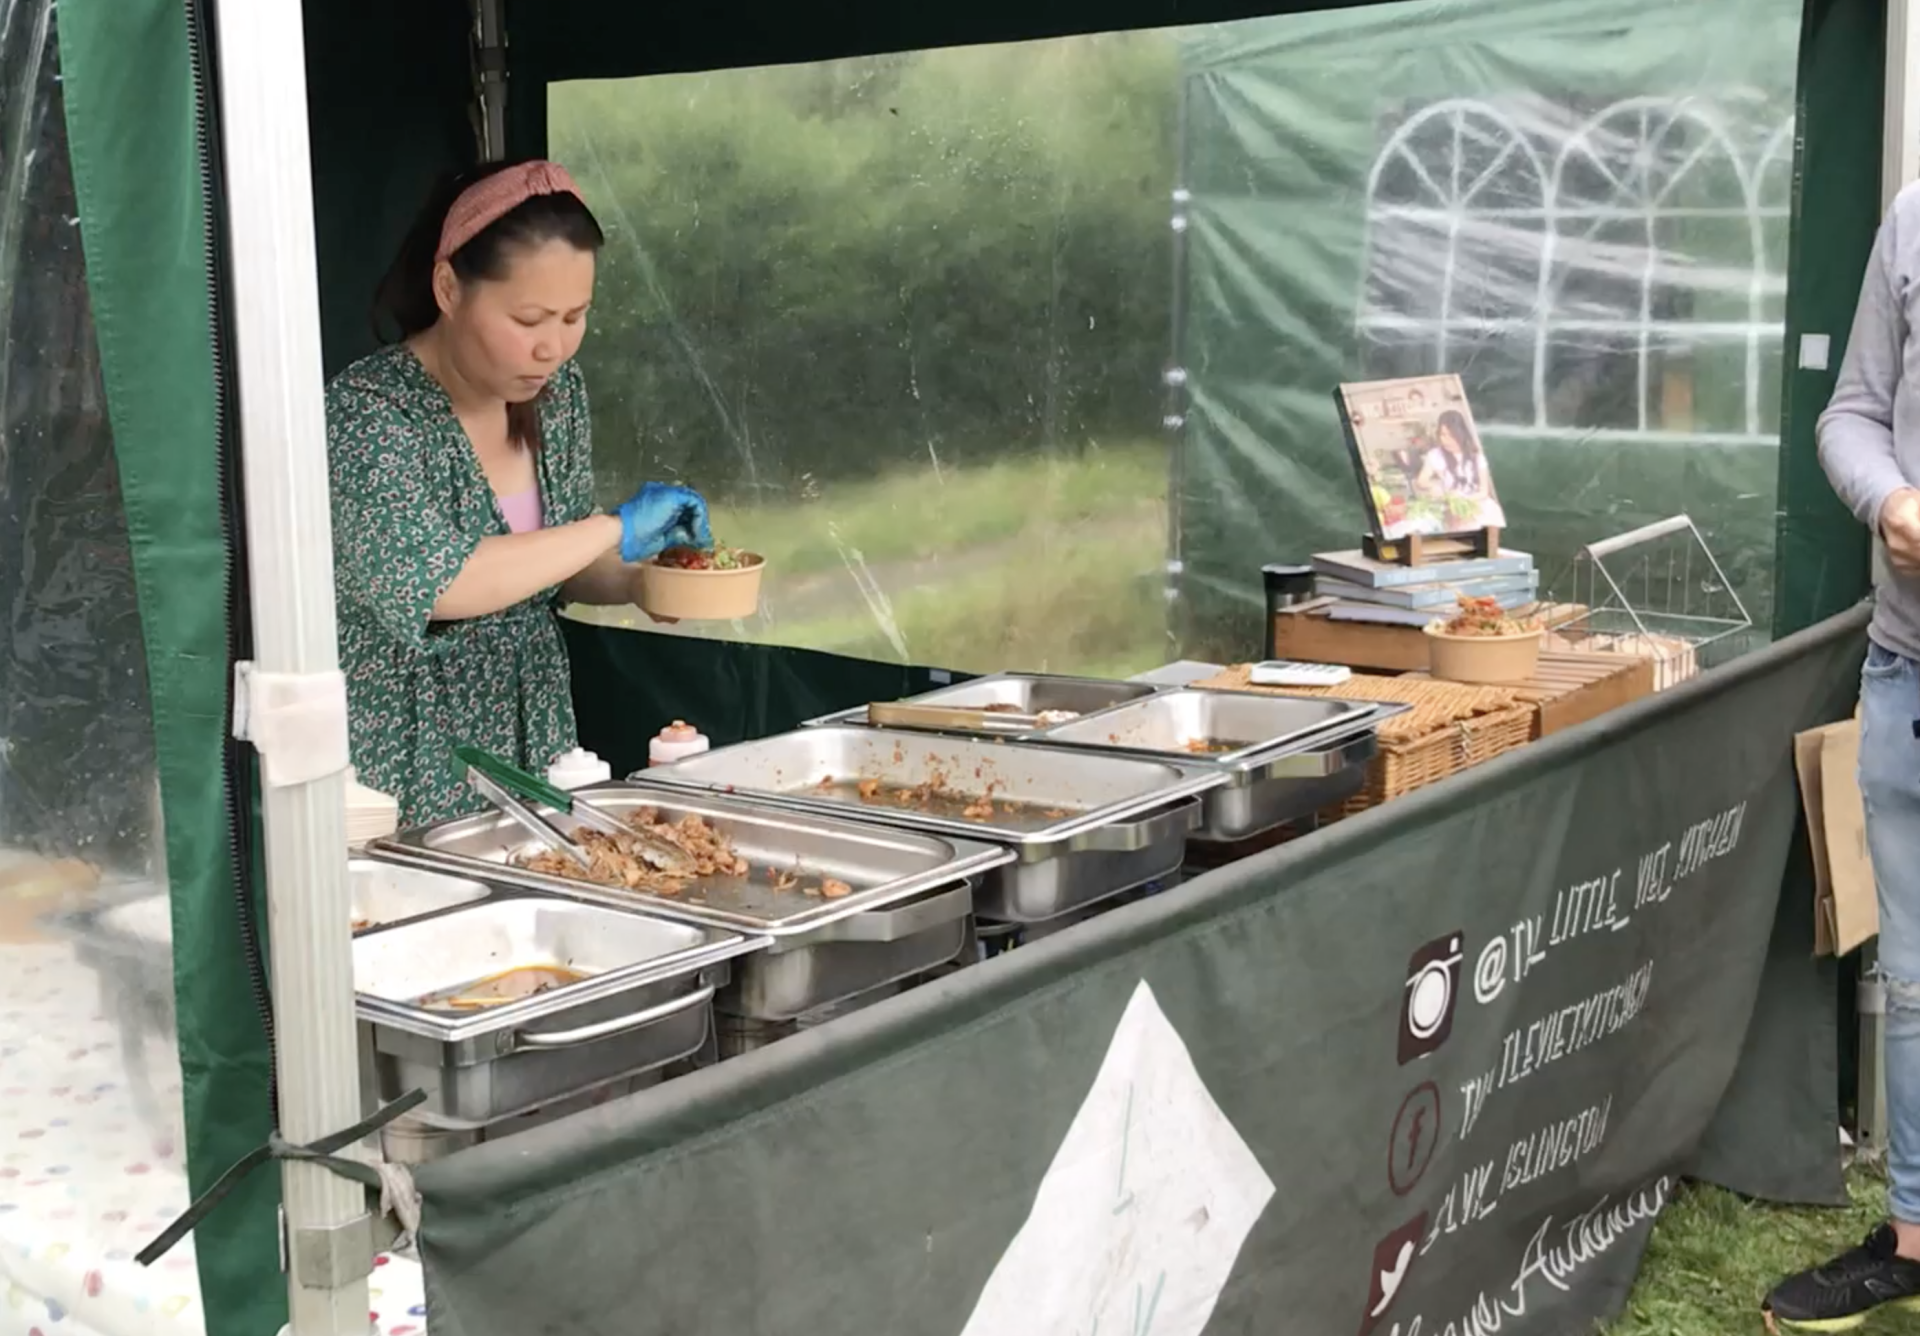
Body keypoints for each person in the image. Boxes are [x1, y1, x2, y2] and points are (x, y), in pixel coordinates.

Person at [326, 159, 710, 827]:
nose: (553, 348)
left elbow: (554, 568)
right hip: (404, 749)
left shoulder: (557, 399)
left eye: (574, 316)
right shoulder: (369, 414)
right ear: (449, 287)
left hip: (536, 737)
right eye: (529, 318)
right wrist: (613, 526)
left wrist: (647, 580)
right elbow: (441, 585)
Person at [1764, 185, 1920, 1331]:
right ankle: (1916, 1229)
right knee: (1913, 976)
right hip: (1907, 662)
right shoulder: (1914, 219)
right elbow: (1851, 414)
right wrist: (1890, 500)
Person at [1414, 409, 1489, 500]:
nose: (1446, 440)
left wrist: (1464, 499)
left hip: (1477, 503)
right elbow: (1421, 481)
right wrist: (1433, 486)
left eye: (1452, 435)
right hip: (1450, 503)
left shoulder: (1477, 457)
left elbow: (1484, 492)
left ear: (1462, 434)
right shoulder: (1435, 455)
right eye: (1443, 435)